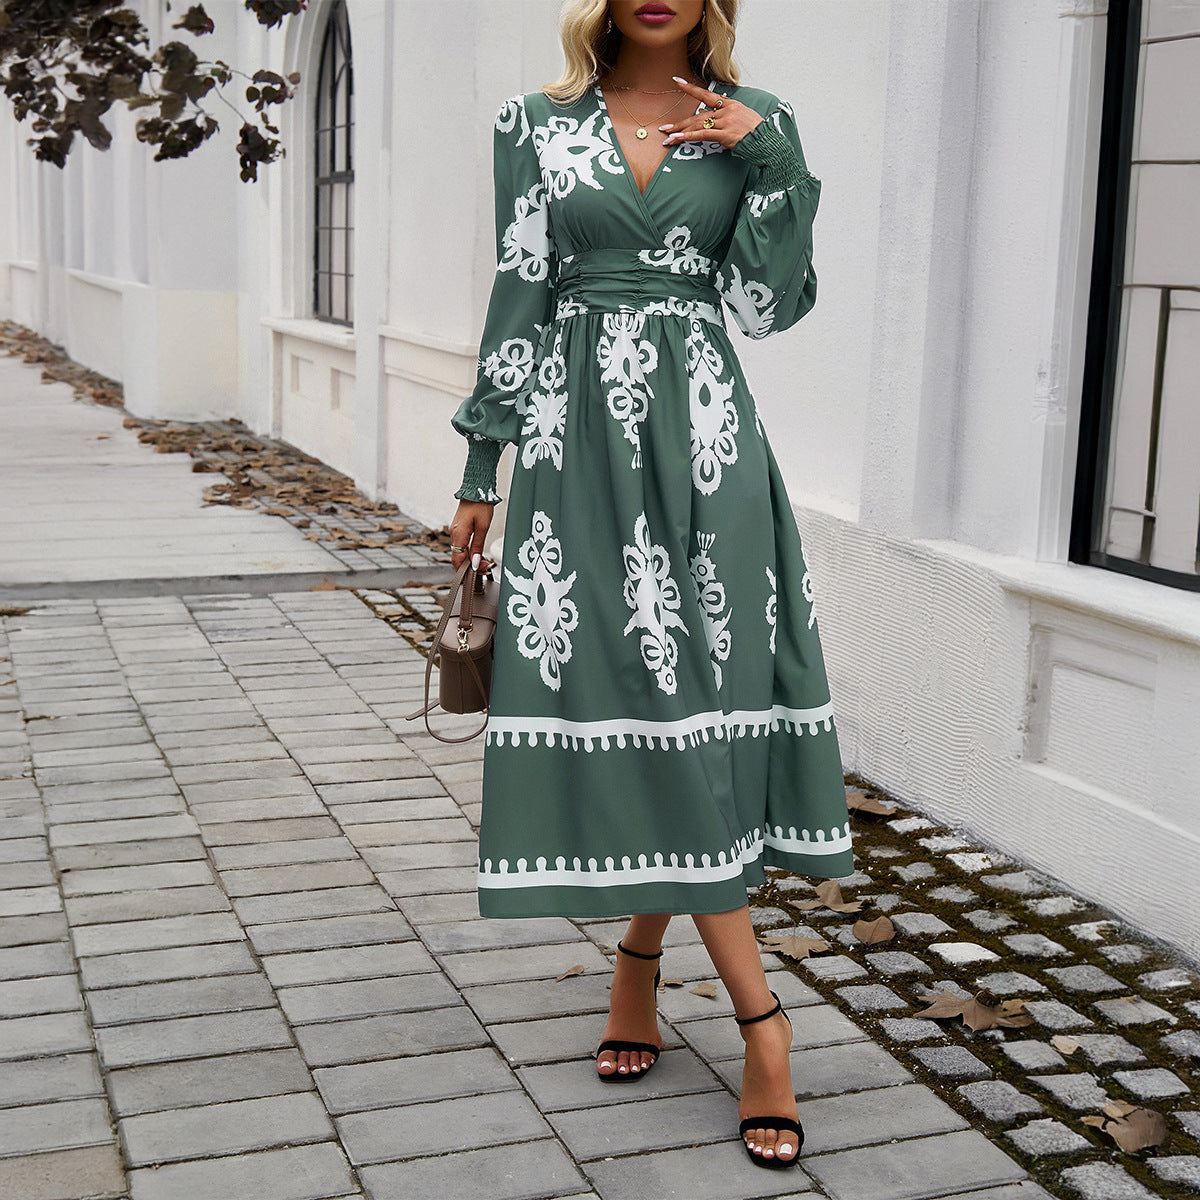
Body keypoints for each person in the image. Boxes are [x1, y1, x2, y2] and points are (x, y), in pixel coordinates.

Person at [446, 0, 853, 1170]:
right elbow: (522, 287)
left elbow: (768, 307)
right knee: (649, 701)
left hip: (707, 448)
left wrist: (772, 162)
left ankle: (650, 974)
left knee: (695, 713)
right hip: (577, 450)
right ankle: (754, 1022)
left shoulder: (755, 123)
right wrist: (485, 459)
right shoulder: (535, 121)